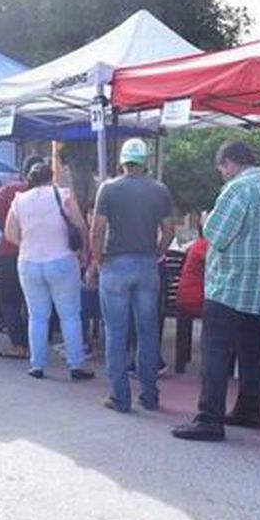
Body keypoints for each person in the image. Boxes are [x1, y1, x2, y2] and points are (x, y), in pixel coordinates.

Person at [173, 141, 260, 442]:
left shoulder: (237, 190)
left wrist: (206, 220)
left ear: (229, 162)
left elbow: (217, 236)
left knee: (215, 353)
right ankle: (250, 410)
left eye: (221, 168)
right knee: (254, 352)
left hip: (230, 285)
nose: (222, 174)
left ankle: (209, 418)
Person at [89, 138, 175, 413]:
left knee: (115, 331)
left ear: (123, 161)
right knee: (147, 332)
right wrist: (158, 252)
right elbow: (170, 230)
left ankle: (119, 397)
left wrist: (98, 260)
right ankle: (150, 395)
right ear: (145, 161)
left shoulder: (109, 189)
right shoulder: (160, 190)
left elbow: (97, 230)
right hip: (147, 264)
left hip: (115, 263)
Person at [6, 157, 90, 379]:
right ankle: (75, 365)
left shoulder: (19, 200)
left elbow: (10, 234)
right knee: (70, 315)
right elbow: (81, 226)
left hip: (29, 262)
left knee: (37, 316)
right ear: (51, 177)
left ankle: (37, 365)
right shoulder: (63, 195)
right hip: (62, 259)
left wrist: (29, 242)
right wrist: (83, 253)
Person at [0, 157, 39, 360]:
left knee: (10, 301)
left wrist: (4, 217)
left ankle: (18, 344)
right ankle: (35, 343)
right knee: (34, 302)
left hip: (9, 251)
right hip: (37, 253)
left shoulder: (11, 190)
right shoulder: (50, 194)